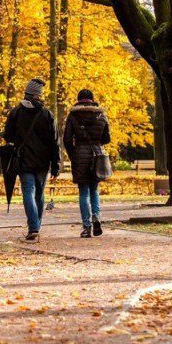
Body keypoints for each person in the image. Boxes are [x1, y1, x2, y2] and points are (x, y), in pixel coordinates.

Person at [3, 78, 61, 242]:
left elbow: (7, 136)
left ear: (26, 94)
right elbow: (55, 142)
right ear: (39, 95)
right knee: (39, 193)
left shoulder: (15, 112)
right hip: (43, 162)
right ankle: (37, 225)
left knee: (28, 191)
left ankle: (33, 227)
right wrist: (56, 165)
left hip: (24, 160)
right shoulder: (47, 114)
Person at [63, 89, 111, 238]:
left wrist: (73, 154)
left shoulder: (73, 116)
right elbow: (107, 138)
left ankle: (86, 226)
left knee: (84, 191)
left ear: (79, 99)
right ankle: (96, 216)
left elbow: (66, 139)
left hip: (80, 155)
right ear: (92, 99)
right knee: (94, 189)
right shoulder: (101, 115)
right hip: (97, 155)